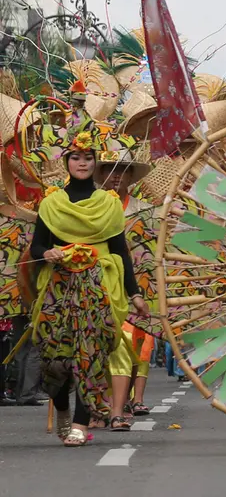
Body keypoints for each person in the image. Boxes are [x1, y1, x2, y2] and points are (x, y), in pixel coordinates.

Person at [27, 123, 149, 446]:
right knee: (54, 360)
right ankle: (62, 406)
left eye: (88, 157)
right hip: (58, 286)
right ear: (66, 162)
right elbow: (36, 247)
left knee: (90, 355)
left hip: (99, 288)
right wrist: (49, 253)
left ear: (96, 162)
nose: (82, 163)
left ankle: (81, 423)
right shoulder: (51, 204)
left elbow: (121, 252)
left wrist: (134, 293)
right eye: (76, 157)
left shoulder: (108, 205)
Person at [95, 147, 154, 424]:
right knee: (104, 345)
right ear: (101, 174)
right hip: (100, 284)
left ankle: (130, 400)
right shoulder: (90, 208)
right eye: (110, 170)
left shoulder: (144, 210)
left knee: (136, 344)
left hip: (137, 284)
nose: (116, 176)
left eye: (122, 170)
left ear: (131, 176)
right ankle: (104, 404)